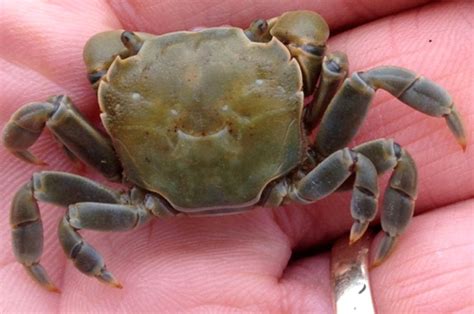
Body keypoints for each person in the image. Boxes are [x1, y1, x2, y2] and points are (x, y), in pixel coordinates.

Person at [0, 0, 472, 312]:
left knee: (48, 194)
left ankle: (41, 272)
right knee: (380, 155)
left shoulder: (119, 77)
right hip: (296, 181)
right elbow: (363, 154)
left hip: (142, 199)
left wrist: (22, 146)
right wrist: (366, 210)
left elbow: (42, 141)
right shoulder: (282, 60)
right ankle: (389, 233)